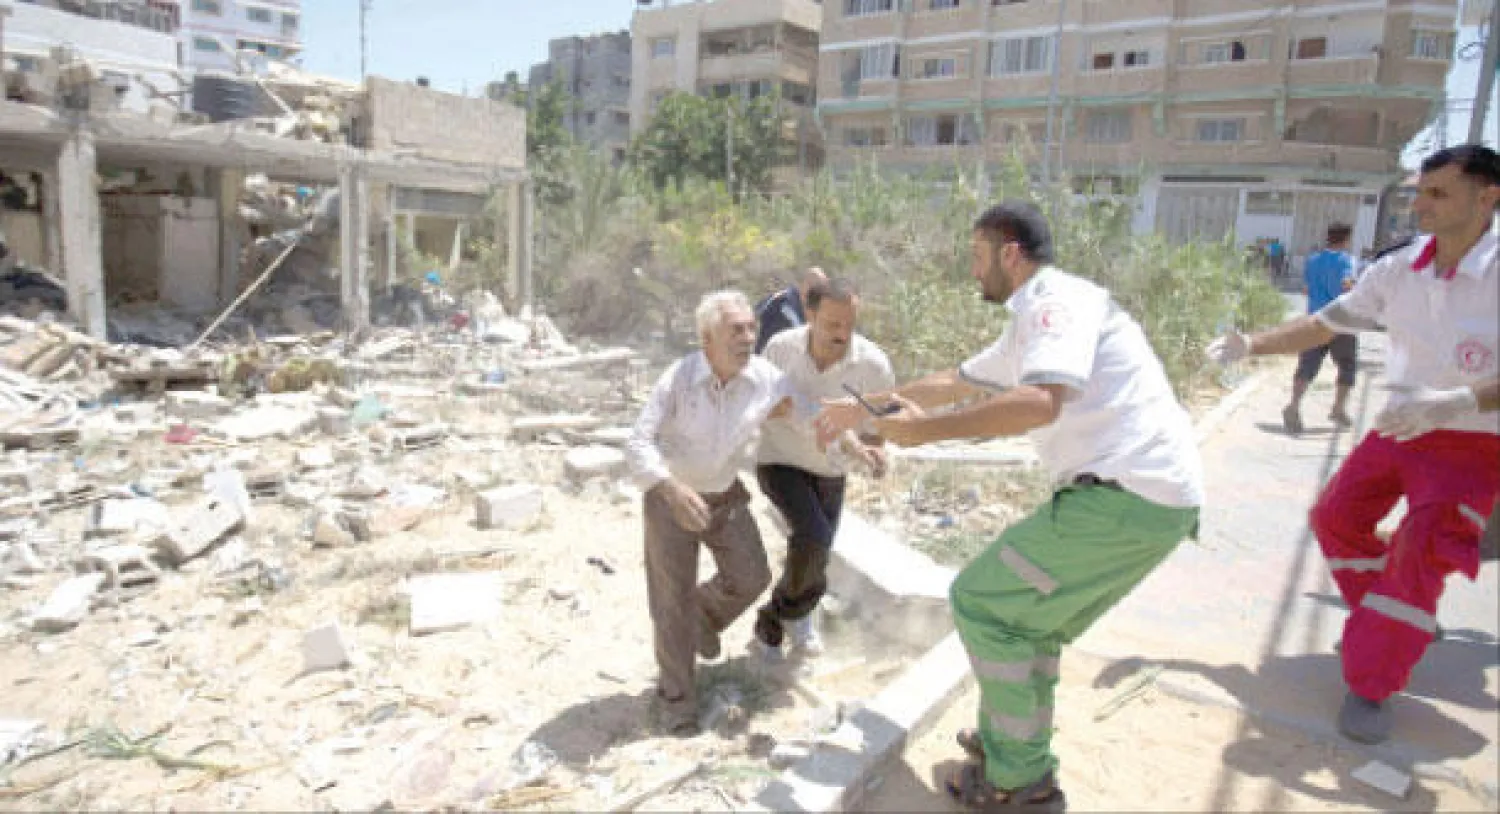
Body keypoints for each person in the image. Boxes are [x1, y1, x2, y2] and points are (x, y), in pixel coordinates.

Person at [816, 200, 1203, 812]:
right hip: (1141, 498)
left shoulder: (1057, 304)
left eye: (976, 257)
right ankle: (1011, 748)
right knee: (1029, 620)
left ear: (1010, 253)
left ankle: (1019, 782)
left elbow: (1038, 403)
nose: (972, 272)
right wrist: (865, 406)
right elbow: (954, 381)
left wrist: (923, 434)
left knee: (980, 600)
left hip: (1128, 495)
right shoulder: (1033, 321)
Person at [1206, 144, 1500, 746]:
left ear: (1487, 196)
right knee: (1335, 516)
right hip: (1396, 429)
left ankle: (1372, 683)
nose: (1419, 203)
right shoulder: (1400, 267)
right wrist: (1252, 345)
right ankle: (1392, 615)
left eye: (1437, 192)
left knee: (1421, 548)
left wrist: (1456, 403)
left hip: (1471, 444)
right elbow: (1326, 322)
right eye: (1420, 190)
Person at [625, 290, 805, 737]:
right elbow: (637, 442)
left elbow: (812, 413)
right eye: (736, 331)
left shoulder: (765, 377)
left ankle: (702, 617)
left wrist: (855, 442)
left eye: (751, 328)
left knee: (753, 576)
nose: (748, 338)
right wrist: (667, 486)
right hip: (671, 500)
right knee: (670, 605)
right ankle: (676, 705)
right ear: (707, 339)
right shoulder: (679, 378)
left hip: (724, 496)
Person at [754, 278, 895, 659]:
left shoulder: (873, 365)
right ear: (810, 314)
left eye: (849, 324)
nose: (842, 334)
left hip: (832, 468)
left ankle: (793, 614)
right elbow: (754, 402)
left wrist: (875, 452)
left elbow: (877, 428)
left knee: (818, 549)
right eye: (833, 324)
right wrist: (793, 412)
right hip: (779, 458)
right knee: (813, 535)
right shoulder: (779, 349)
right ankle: (773, 624)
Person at [1283, 223, 1360, 433]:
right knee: (1347, 366)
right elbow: (1347, 284)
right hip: (1341, 321)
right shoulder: (1347, 260)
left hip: (1315, 320)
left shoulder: (1313, 260)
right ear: (1346, 240)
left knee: (1306, 366)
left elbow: (1307, 289)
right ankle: (1338, 408)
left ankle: (1293, 405)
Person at [754, 267, 828, 353]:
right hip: (768, 356)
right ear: (805, 284)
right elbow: (756, 315)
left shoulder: (814, 308)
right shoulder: (782, 301)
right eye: (815, 286)